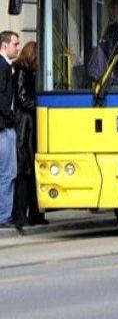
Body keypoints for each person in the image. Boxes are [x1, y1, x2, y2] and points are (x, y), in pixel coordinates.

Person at [13, 41, 47, 226]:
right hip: (25, 127)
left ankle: (36, 214)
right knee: (24, 172)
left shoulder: (31, 73)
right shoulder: (21, 73)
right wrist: (39, 106)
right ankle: (21, 215)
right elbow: (23, 98)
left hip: (31, 125)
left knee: (33, 172)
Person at [0, 31, 20, 228]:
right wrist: (11, 118)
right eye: (15, 43)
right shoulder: (3, 66)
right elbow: (3, 98)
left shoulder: (7, 67)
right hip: (5, 128)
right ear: (5, 45)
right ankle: (4, 216)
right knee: (7, 173)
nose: (18, 47)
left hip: (5, 126)